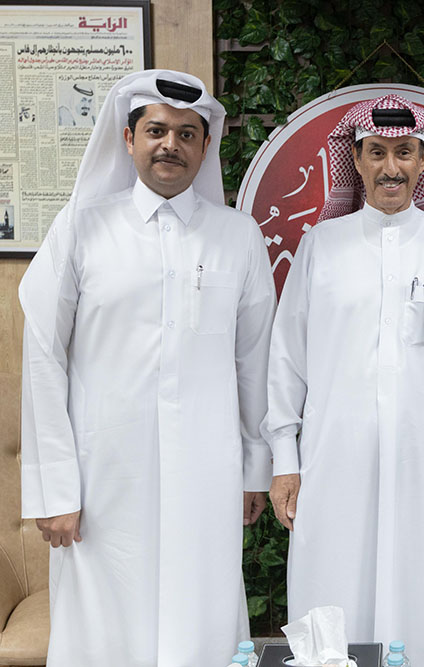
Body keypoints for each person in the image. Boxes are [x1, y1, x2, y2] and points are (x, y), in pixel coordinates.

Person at [19, 70, 275, 667]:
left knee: (201, 619)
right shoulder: (80, 227)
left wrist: (254, 468)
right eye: (156, 130)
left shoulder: (238, 237)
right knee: (104, 630)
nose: (170, 145)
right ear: (129, 138)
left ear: (204, 148)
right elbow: (43, 359)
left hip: (207, 475)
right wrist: (55, 488)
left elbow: (254, 361)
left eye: (187, 134)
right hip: (102, 480)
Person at [264, 94, 424, 667]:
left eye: (404, 152)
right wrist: (285, 460)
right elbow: (287, 359)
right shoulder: (320, 246)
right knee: (333, 588)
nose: (391, 167)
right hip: (332, 462)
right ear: (356, 159)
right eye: (377, 152)